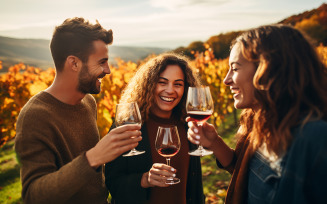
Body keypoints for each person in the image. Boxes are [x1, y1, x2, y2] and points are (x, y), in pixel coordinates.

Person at [187, 24, 327, 204]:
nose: (226, 79)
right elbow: (248, 175)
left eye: (235, 68)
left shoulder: (316, 139)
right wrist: (215, 143)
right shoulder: (260, 123)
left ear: (268, 70)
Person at [15, 17, 142, 204]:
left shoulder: (88, 102)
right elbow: (34, 195)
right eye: (102, 62)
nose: (108, 70)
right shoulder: (35, 116)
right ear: (74, 63)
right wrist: (92, 158)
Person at [105, 53, 205, 204]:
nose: (170, 90)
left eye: (178, 84)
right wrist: (144, 180)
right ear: (149, 84)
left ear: (186, 88)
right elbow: (113, 183)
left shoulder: (188, 124)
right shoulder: (127, 126)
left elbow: (195, 184)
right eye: (162, 82)